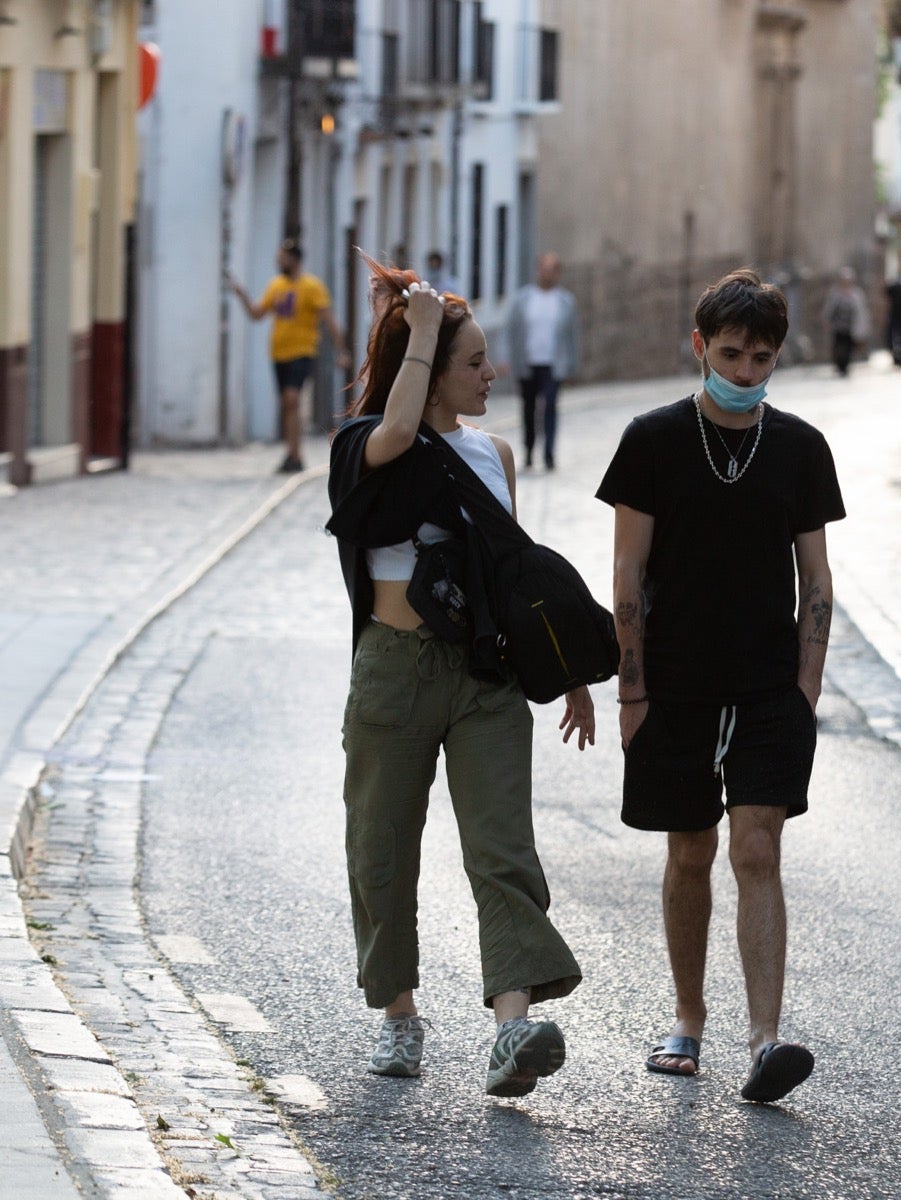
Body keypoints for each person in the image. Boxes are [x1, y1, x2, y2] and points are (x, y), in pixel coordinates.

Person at [324, 260, 594, 1098]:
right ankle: (398, 1015)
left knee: (502, 848)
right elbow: (399, 433)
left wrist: (570, 670)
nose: (492, 374)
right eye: (473, 362)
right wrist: (425, 326)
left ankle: (513, 1028)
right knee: (380, 846)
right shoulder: (367, 446)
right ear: (432, 371)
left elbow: (511, 575)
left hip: (485, 674)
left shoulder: (496, 456)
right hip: (394, 671)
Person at [598, 268, 844, 1105]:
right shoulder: (652, 440)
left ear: (779, 357)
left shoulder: (802, 448)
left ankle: (766, 1037)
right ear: (700, 347)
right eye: (731, 354)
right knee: (690, 851)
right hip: (674, 685)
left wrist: (807, 687)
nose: (744, 373)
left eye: (761, 359)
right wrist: (632, 693)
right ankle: (688, 1017)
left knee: (758, 847)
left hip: (771, 687)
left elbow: (817, 578)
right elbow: (626, 575)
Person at [230, 239, 351, 473]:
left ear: (295, 260)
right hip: (279, 353)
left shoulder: (312, 286)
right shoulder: (276, 286)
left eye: (282, 258)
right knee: (287, 404)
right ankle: (292, 454)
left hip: (303, 351)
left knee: (292, 398)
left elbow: (329, 320)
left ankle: (295, 454)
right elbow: (257, 314)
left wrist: (341, 350)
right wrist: (242, 295)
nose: (279, 262)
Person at [503, 253, 580, 470]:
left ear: (557, 273)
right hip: (528, 362)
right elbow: (511, 331)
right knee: (528, 408)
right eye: (543, 269)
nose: (546, 274)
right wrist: (506, 359)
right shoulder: (523, 299)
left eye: (551, 269)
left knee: (550, 407)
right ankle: (528, 449)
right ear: (537, 270)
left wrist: (573, 365)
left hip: (553, 364)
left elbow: (572, 336)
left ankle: (548, 453)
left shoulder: (565, 301)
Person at [822, 267, 870, 377]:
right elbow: (829, 308)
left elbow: (861, 311)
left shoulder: (857, 294)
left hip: (850, 326)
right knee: (838, 346)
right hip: (838, 326)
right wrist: (826, 320)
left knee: (848, 347)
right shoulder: (835, 293)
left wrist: (863, 327)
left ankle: (845, 366)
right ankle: (839, 365)